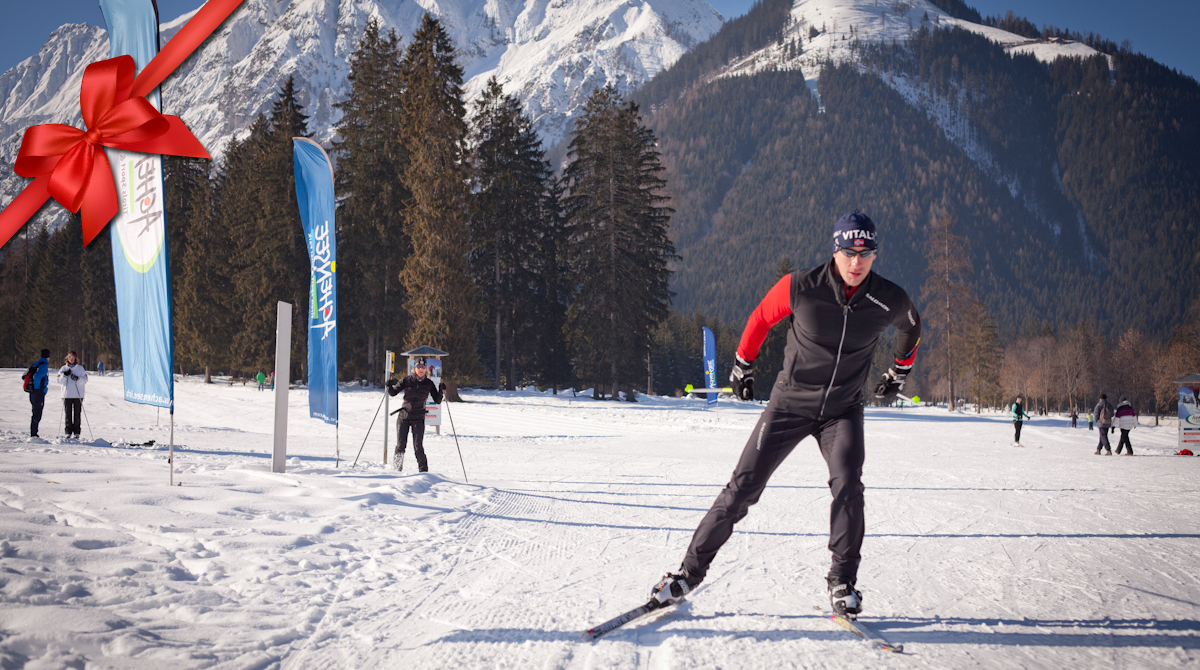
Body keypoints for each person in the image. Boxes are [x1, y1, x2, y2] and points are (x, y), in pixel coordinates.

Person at [647, 212, 921, 620]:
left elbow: (912, 327)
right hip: (790, 404)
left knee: (848, 487)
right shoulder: (800, 286)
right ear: (836, 250)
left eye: (866, 253)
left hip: (842, 412)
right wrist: (743, 364)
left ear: (874, 254)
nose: (857, 262)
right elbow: (760, 318)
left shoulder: (888, 298)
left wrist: (899, 370)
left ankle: (843, 581)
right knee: (741, 489)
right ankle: (687, 574)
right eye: (849, 252)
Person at [385, 358, 446, 473]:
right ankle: (397, 470)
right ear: (415, 368)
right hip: (404, 417)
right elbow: (393, 393)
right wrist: (389, 386)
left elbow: (437, 400)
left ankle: (424, 472)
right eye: (419, 367)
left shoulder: (429, 383)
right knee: (400, 445)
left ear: (426, 369)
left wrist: (441, 391)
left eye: (423, 367)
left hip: (418, 418)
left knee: (418, 446)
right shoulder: (407, 380)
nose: (421, 369)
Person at [58, 351, 88, 439]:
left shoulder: (80, 368)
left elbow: (85, 380)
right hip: (67, 395)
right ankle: (68, 431)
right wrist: (64, 375)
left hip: (78, 395)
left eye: (73, 357)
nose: (71, 358)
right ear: (67, 358)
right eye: (70, 357)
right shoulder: (63, 368)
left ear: (75, 358)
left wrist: (77, 379)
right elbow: (59, 381)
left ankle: (77, 432)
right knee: (68, 414)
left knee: (77, 414)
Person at [26, 349, 51, 438]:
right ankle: (34, 434)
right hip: (38, 392)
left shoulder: (35, 364)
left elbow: (26, 375)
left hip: (32, 391)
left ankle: (33, 432)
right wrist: (39, 389)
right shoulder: (43, 365)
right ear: (48, 357)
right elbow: (37, 377)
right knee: (37, 413)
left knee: (35, 412)